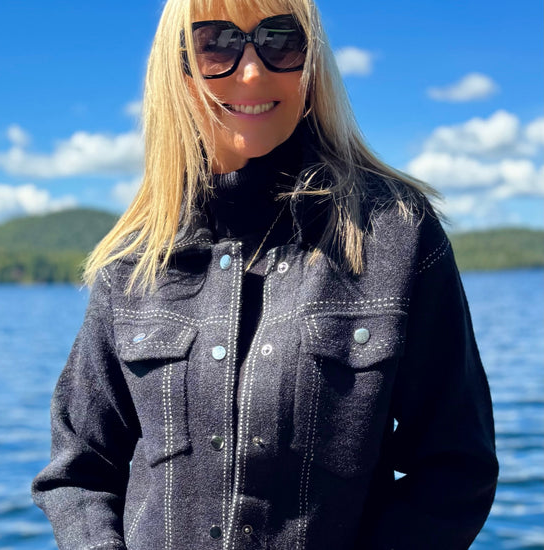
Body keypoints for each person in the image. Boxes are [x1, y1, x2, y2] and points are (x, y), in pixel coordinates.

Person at [32, 0, 499, 548]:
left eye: (281, 39)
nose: (252, 71)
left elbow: (455, 467)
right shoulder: (135, 260)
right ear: (177, 68)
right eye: (215, 44)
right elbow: (80, 470)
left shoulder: (397, 232)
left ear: (313, 61)